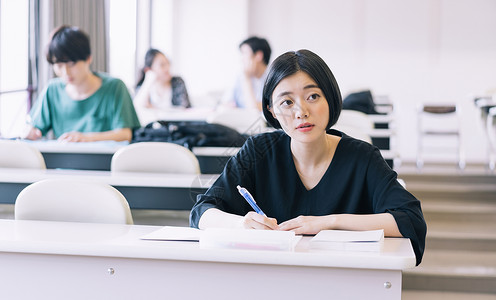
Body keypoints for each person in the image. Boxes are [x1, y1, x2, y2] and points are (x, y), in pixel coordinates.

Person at [190, 49, 426, 265]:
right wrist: (241, 223)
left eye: (312, 96)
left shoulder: (362, 157)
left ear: (330, 98)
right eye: (287, 102)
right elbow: (202, 212)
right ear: (272, 111)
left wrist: (329, 222)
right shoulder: (257, 152)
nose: (301, 111)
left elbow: (409, 219)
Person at [25, 25, 140, 142]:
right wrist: (31, 132)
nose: (66, 72)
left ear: (88, 59)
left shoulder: (115, 87)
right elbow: (34, 127)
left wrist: (85, 138)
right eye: (59, 66)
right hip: (64, 159)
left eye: (71, 64)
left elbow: (125, 134)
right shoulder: (52, 90)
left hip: (105, 159)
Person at [221, 36, 271, 111]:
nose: (242, 59)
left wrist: (246, 79)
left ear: (258, 55)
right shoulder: (239, 77)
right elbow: (224, 103)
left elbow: (256, 110)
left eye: (244, 53)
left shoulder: (272, 79)